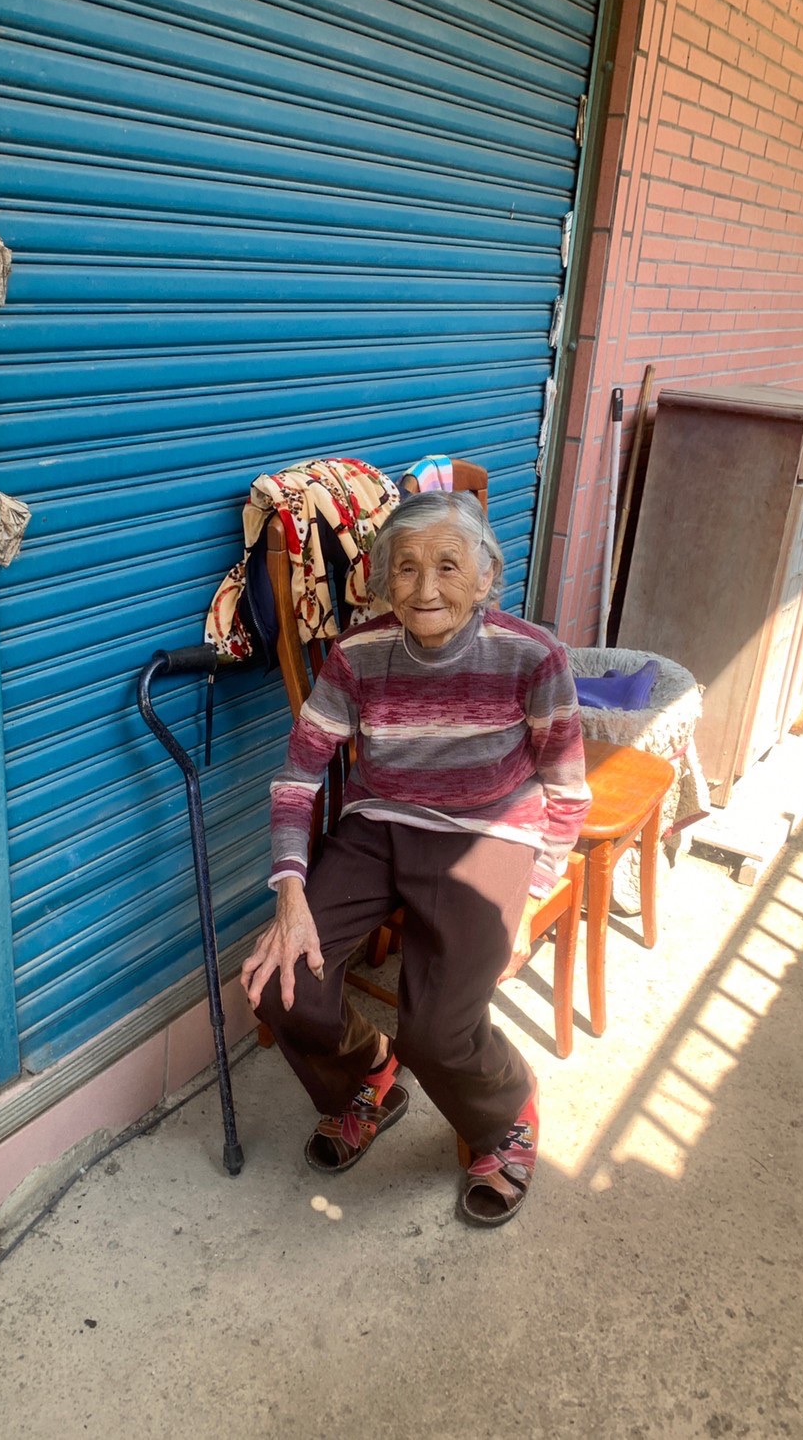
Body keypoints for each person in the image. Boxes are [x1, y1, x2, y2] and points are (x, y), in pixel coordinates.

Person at [240, 491, 589, 1226]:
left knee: (437, 1033)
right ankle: (367, 1073)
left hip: (490, 831)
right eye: (405, 568)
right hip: (380, 824)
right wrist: (291, 895)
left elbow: (566, 789)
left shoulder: (533, 656)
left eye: (448, 566)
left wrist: (533, 896)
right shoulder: (358, 655)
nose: (425, 588)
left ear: (486, 576)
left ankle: (505, 1111)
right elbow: (299, 776)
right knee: (278, 986)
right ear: (382, 580)